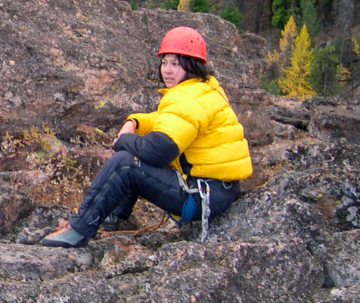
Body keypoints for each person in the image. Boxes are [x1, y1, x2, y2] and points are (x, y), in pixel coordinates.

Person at [41, 26, 252, 248]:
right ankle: (113, 216)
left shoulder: (187, 97)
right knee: (133, 156)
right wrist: (135, 122)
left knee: (125, 163)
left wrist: (123, 141)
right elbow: (169, 119)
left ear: (191, 66)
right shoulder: (204, 88)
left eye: (176, 64)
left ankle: (79, 229)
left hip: (200, 197)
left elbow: (159, 151)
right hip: (218, 192)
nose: (168, 70)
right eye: (165, 63)